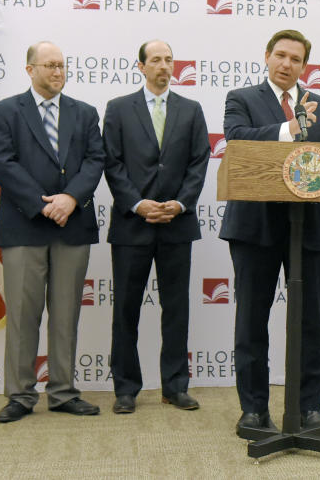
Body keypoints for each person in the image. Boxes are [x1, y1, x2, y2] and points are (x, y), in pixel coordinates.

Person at [219, 29, 320, 437]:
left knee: (312, 322)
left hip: (309, 229)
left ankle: (309, 407)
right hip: (254, 228)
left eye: (296, 59)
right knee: (251, 321)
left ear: (304, 66)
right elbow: (237, 141)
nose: (286, 64)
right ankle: (254, 410)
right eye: (280, 55)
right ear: (267, 56)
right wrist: (289, 129)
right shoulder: (240, 99)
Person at [0, 41, 105, 423]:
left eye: (62, 65)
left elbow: (95, 160)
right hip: (25, 226)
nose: (58, 72)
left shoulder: (84, 113)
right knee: (23, 314)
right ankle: (21, 395)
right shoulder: (5, 112)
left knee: (66, 312)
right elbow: (4, 164)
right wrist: (43, 205)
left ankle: (63, 392)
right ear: (30, 69)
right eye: (50, 65)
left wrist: (69, 199)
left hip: (73, 225)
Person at [103, 40, 210, 414]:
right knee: (126, 310)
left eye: (169, 59)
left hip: (177, 225)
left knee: (177, 309)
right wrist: (138, 203)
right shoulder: (118, 109)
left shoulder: (191, 110)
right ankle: (126, 389)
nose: (164, 66)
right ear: (141, 67)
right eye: (156, 60)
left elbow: (199, 161)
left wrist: (179, 204)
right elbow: (112, 163)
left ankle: (175, 386)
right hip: (133, 225)